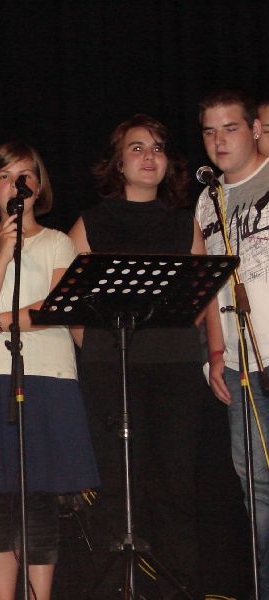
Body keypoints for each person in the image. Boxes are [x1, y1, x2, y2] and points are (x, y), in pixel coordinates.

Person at [67, 114, 207, 595]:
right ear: (118, 162)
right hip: (111, 371)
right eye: (137, 148)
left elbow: (200, 300)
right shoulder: (91, 222)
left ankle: (177, 588)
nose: (149, 157)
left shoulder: (185, 223)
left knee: (175, 484)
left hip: (175, 370)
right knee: (115, 484)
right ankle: (117, 588)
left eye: (158, 148)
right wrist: (100, 350)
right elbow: (67, 299)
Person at [0, 142, 98, 600]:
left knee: (40, 499)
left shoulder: (58, 242)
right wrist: (3, 252)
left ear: (38, 186)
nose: (17, 184)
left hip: (48, 377)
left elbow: (56, 307)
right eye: (5, 176)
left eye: (26, 175)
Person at [196, 89, 269, 600]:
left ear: (256, 130)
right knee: (256, 489)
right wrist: (216, 354)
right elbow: (209, 285)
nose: (219, 141)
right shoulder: (208, 199)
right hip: (240, 366)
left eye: (230, 128)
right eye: (209, 131)